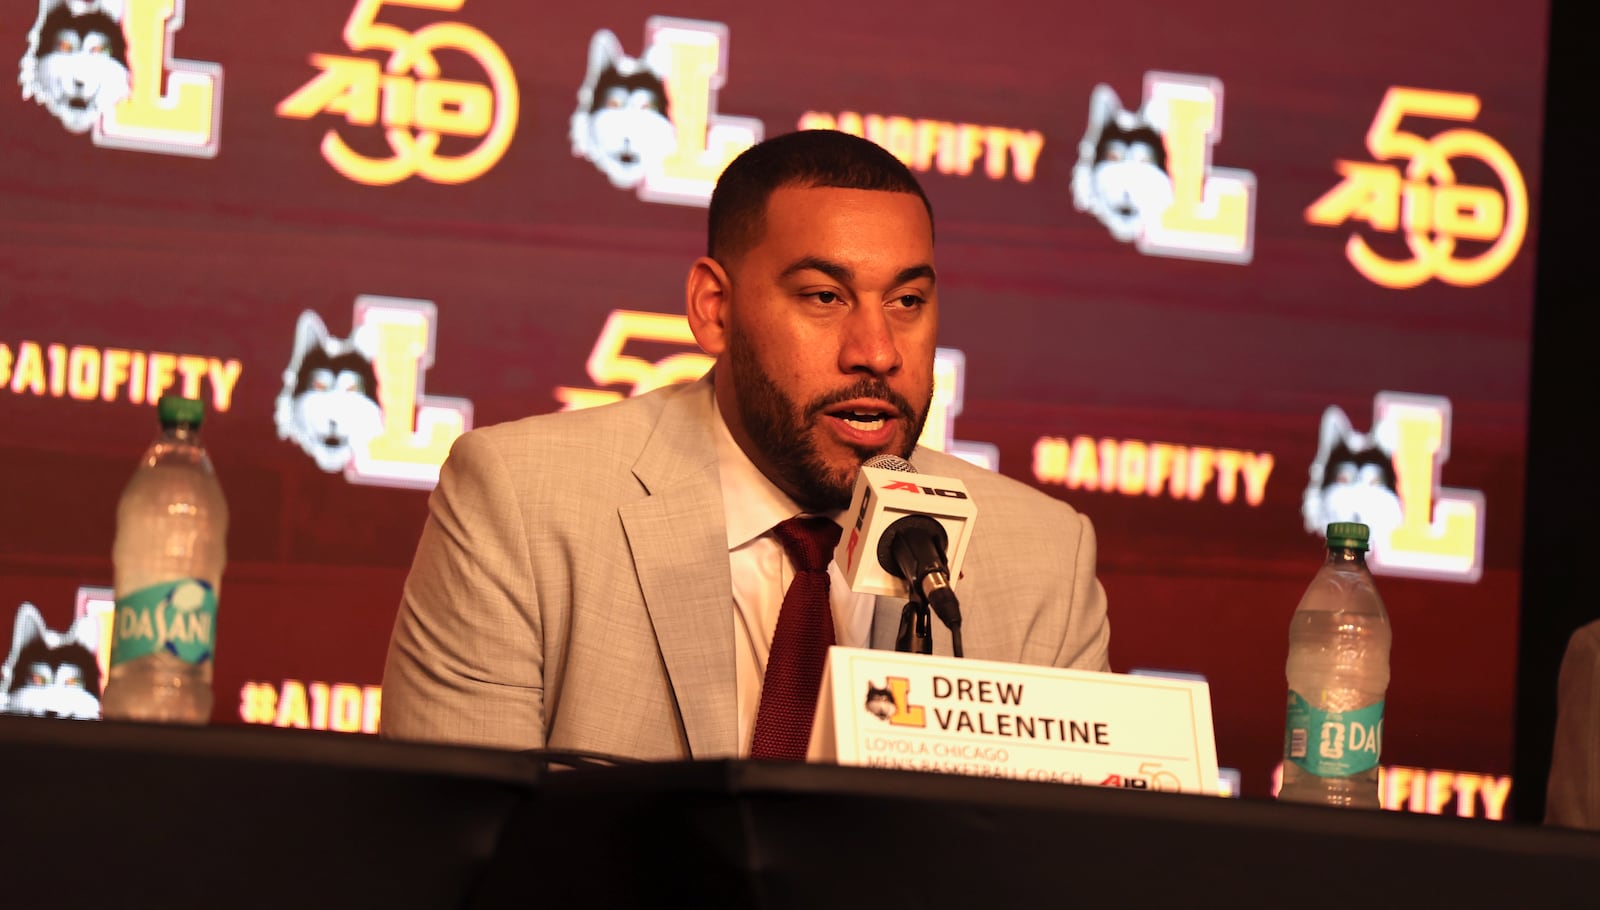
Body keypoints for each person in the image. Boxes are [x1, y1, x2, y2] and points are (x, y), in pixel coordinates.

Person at [380, 130, 1110, 760]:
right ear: (715, 310)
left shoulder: (1044, 558)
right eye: (824, 297)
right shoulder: (522, 503)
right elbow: (453, 851)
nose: (877, 351)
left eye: (907, 301)